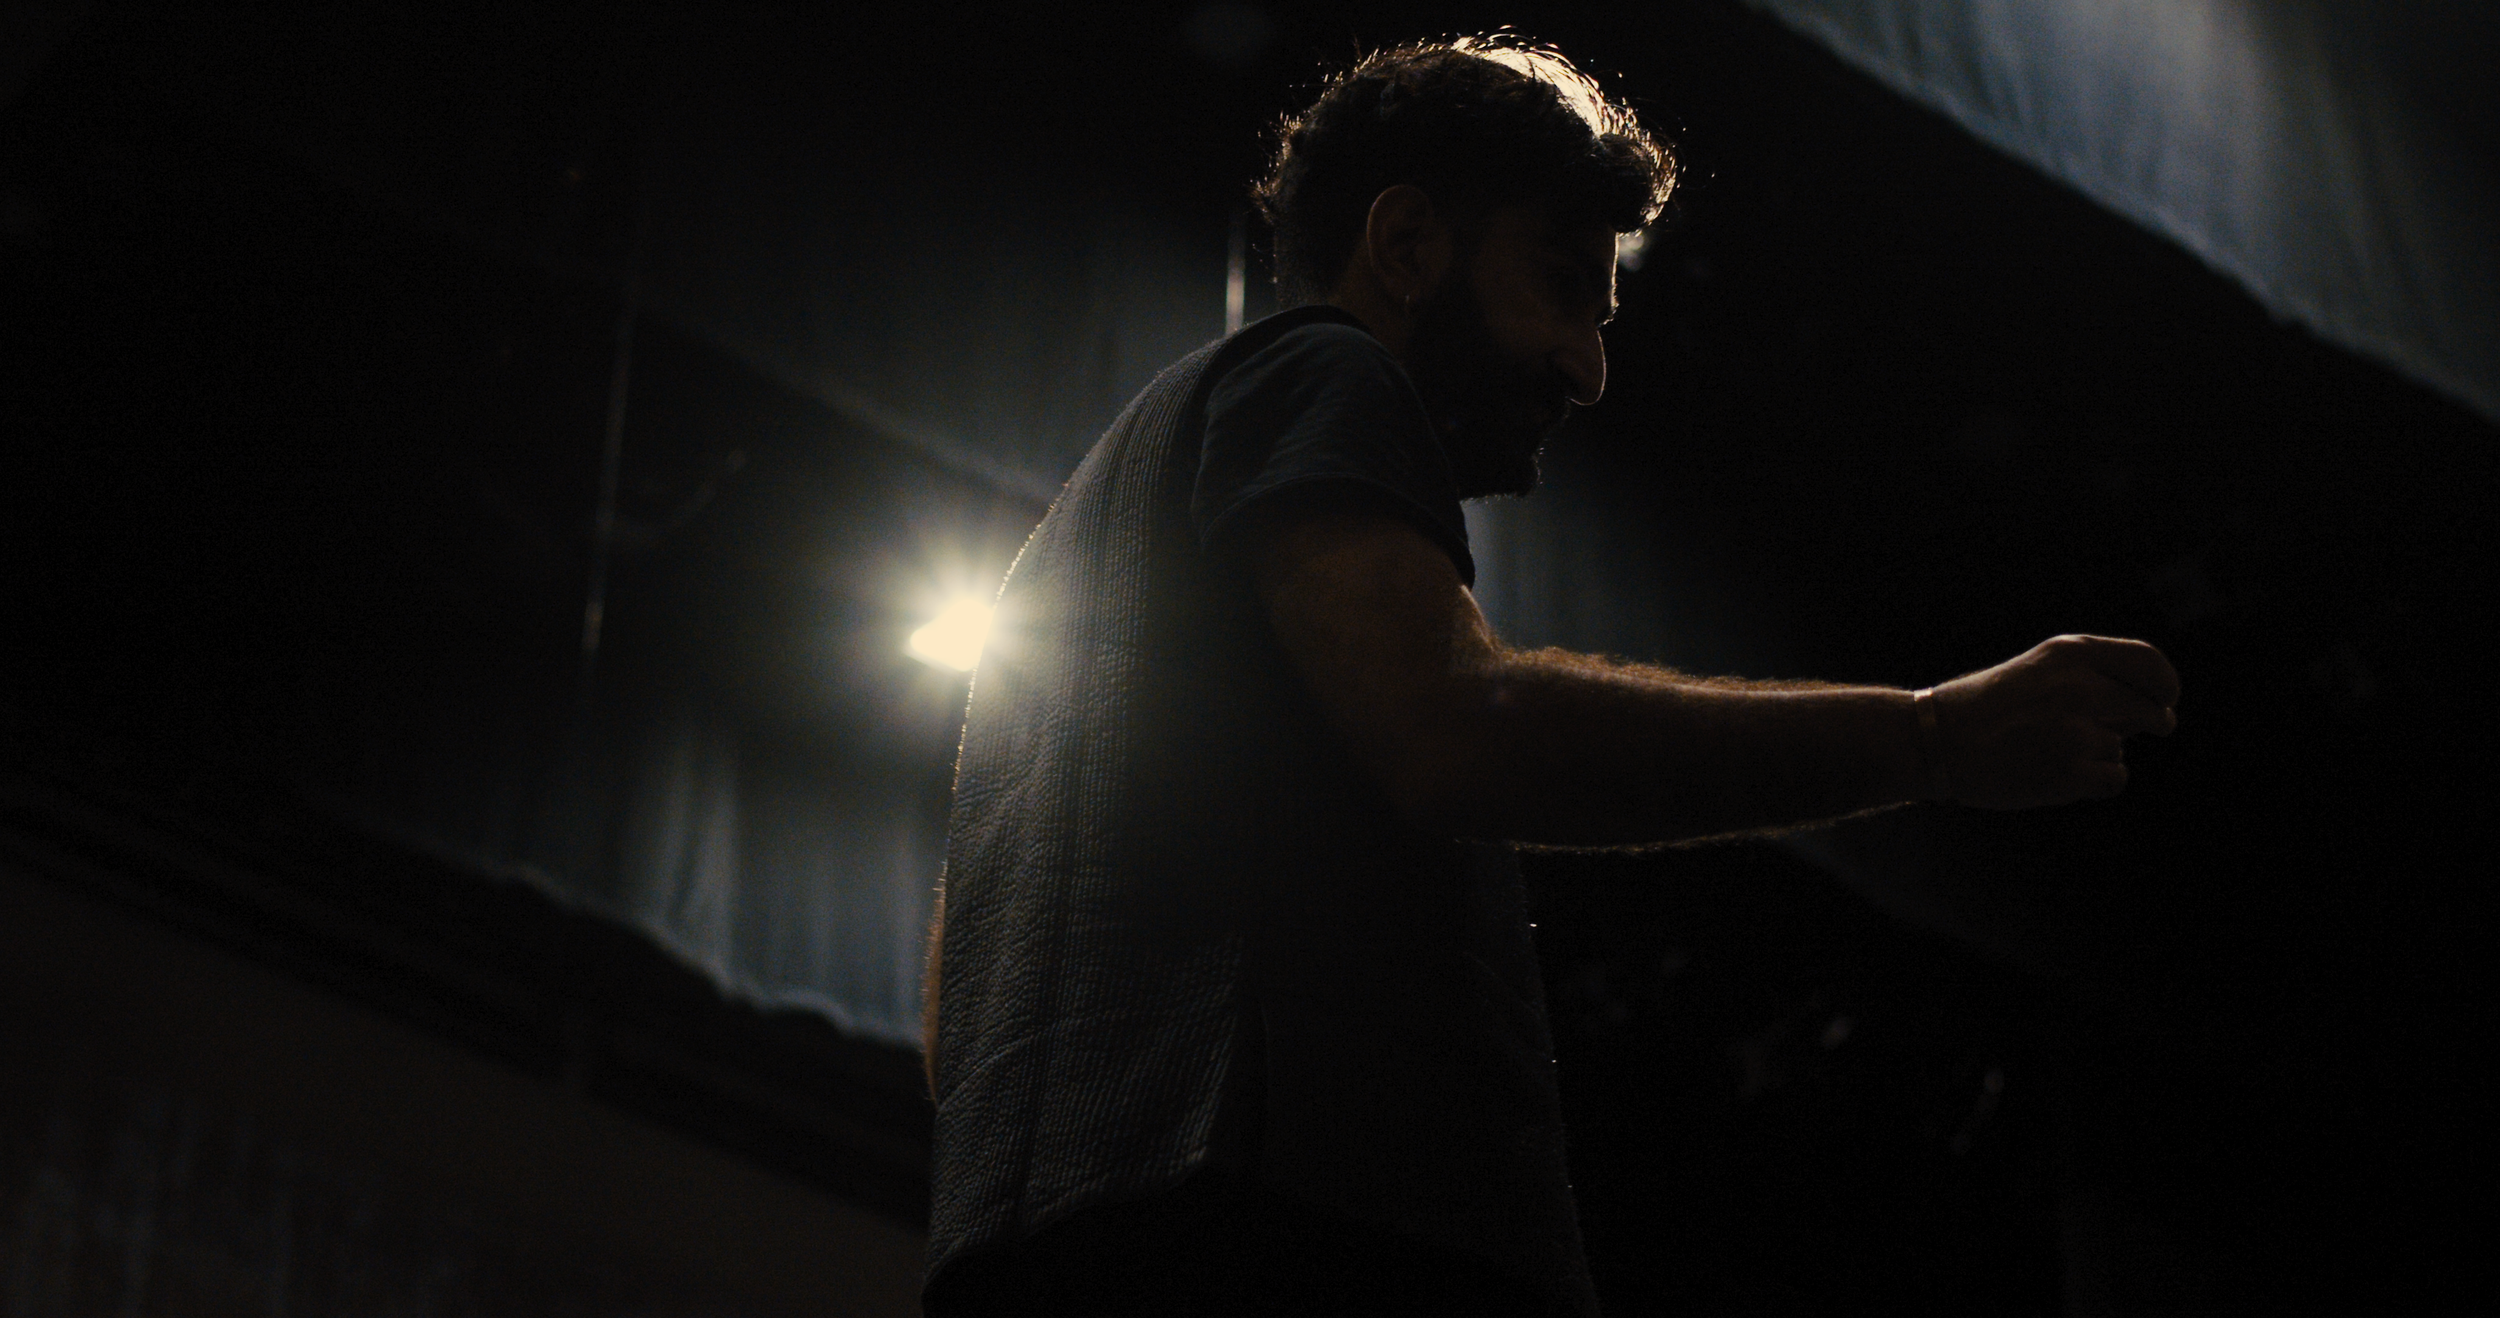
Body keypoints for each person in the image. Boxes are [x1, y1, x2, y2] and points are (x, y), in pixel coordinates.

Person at [920, 34, 2179, 1317]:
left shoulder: (1079, 559)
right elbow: (1454, 730)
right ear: (1407, 243)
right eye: (1563, 286)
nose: (1587, 367)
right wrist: (1929, 737)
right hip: (1282, 1231)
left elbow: (953, 1008)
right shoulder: (1322, 369)